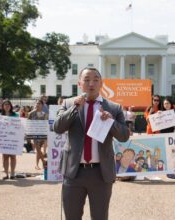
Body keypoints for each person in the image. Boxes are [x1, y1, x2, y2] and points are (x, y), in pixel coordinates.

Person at [53, 67, 130, 220]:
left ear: (101, 83)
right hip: (74, 173)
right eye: (87, 80)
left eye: (95, 80)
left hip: (100, 173)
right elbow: (58, 127)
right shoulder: (68, 103)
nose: (91, 83)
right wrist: (75, 108)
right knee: (72, 217)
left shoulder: (113, 107)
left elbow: (124, 136)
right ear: (79, 83)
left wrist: (111, 122)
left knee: (100, 217)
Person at [28, 100, 48, 169]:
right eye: (36, 104)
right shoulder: (31, 113)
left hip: (42, 134)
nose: (37, 105)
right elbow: (28, 124)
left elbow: (46, 124)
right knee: (37, 148)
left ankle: (37, 165)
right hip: (34, 134)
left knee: (38, 149)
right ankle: (44, 162)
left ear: (42, 105)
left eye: (39, 103)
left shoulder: (44, 114)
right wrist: (29, 136)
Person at [1, 100, 18, 180]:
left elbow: (19, 126)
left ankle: (12, 173)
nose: (7, 106)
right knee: (5, 157)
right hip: (4, 139)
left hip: (13, 139)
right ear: (3, 106)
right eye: (5, 104)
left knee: (13, 157)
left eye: (8, 104)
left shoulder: (16, 115)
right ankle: (6, 173)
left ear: (11, 106)